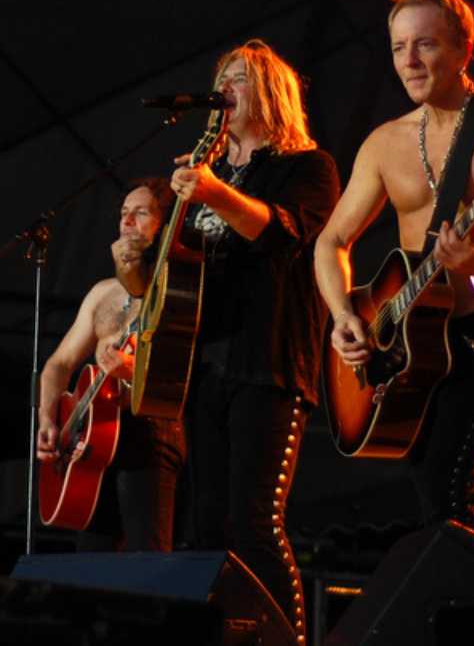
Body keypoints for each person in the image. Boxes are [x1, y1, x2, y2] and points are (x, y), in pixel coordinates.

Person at [119, 40, 338, 642]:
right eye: (221, 80)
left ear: (271, 92)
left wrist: (213, 192)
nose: (225, 91)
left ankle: (287, 639)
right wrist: (134, 268)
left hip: (268, 362)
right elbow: (176, 276)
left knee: (255, 524)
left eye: (238, 80)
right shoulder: (206, 171)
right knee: (205, 530)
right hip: (204, 366)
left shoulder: (307, 167)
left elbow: (284, 237)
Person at [314, 0, 474, 529]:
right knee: (427, 490)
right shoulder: (384, 142)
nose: (410, 61)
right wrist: (345, 316)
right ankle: (457, 607)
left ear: (464, 49)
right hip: (407, 346)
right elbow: (329, 242)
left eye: (426, 45)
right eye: (399, 47)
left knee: (450, 480)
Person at [36, 179, 185, 552]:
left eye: (141, 212)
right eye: (123, 213)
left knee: (144, 555)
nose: (127, 221)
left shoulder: (177, 289)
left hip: (148, 429)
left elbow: (181, 373)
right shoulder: (103, 292)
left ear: (165, 224)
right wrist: (48, 420)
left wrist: (129, 373)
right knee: (90, 558)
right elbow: (59, 363)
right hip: (91, 436)